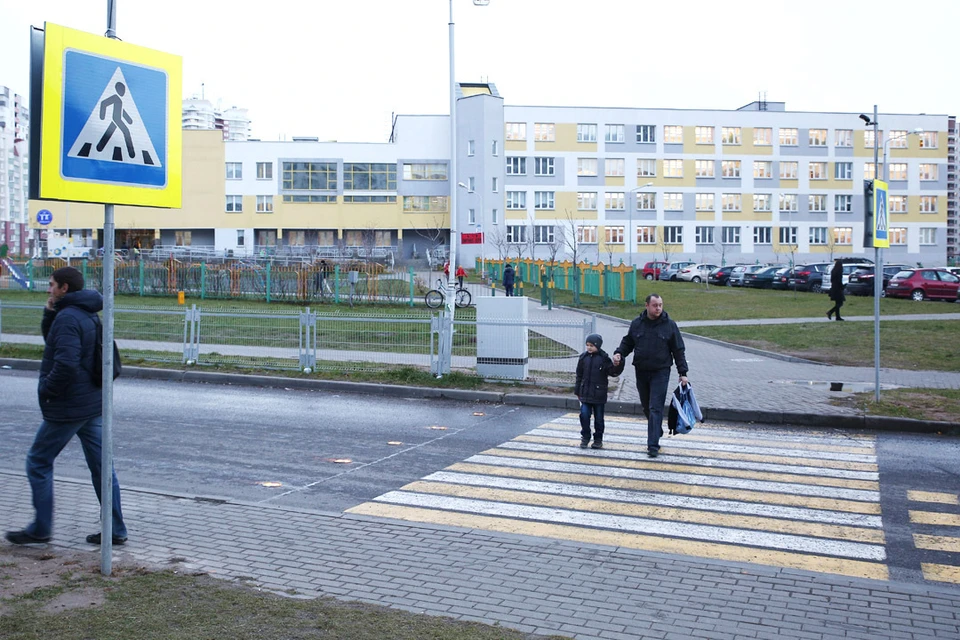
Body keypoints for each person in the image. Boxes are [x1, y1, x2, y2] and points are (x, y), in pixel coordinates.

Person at [5, 267, 128, 546]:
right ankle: (116, 529)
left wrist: (46, 389)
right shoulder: (84, 313)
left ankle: (41, 528)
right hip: (91, 404)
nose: (48, 289)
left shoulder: (70, 317)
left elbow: (66, 363)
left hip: (69, 407)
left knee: (38, 461)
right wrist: (49, 313)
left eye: (51, 285)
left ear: (64, 288)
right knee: (102, 469)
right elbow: (57, 343)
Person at [612, 293, 689, 458]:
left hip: (661, 372)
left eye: (660, 305)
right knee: (646, 406)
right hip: (641, 370)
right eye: (655, 305)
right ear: (647, 305)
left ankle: (652, 445)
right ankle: (656, 429)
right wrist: (619, 353)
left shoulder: (669, 325)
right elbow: (628, 342)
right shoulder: (637, 324)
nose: (658, 308)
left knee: (656, 407)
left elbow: (678, 350)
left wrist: (683, 373)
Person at [575, 333, 621, 449]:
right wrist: (577, 390)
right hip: (585, 394)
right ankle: (585, 436)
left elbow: (613, 372)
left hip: (599, 395)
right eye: (587, 345)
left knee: (599, 419)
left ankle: (598, 439)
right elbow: (579, 375)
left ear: (598, 346)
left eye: (591, 345)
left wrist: (617, 365)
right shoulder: (583, 358)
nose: (589, 347)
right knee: (584, 415)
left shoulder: (604, 358)